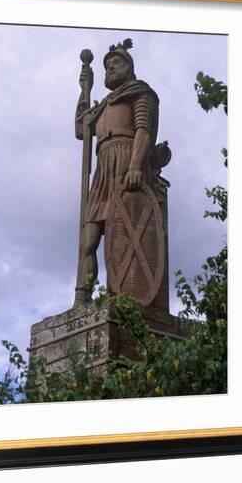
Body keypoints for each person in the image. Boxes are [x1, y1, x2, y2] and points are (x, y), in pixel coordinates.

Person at [73, 39, 160, 306]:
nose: (111, 68)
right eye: (108, 66)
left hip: (126, 160)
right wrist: (83, 92)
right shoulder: (101, 107)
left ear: (130, 68)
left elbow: (144, 130)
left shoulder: (140, 92)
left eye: (117, 63)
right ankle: (82, 296)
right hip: (102, 171)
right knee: (88, 239)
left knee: (121, 234)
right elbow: (80, 130)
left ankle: (119, 293)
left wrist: (135, 166)